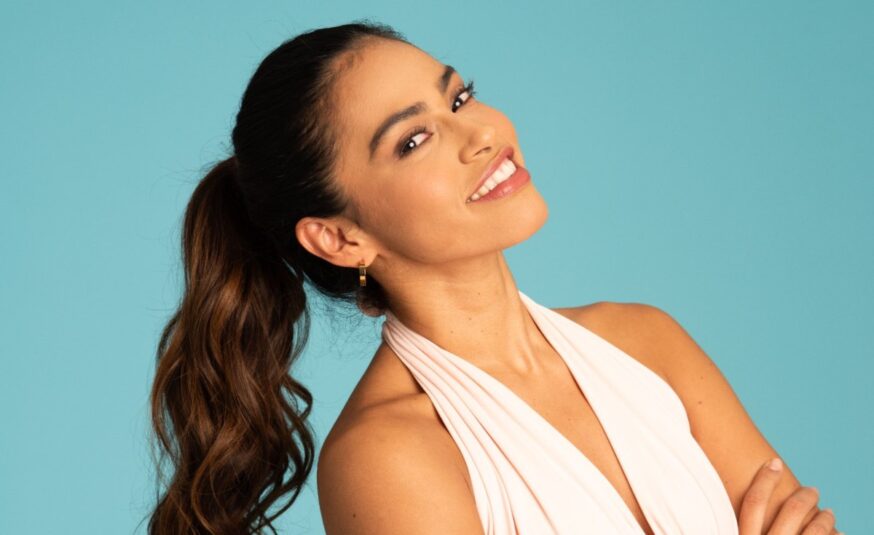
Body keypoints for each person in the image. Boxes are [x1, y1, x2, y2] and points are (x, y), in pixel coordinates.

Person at [146, 20, 842, 535]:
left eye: (459, 98)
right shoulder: (385, 457)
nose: (481, 134)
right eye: (413, 140)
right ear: (340, 237)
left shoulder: (646, 342)